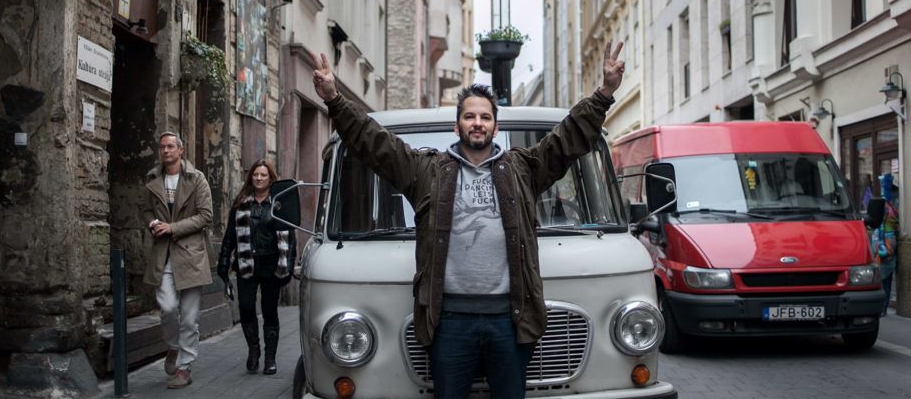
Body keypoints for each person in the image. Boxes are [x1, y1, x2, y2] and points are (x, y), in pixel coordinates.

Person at [312, 41, 625, 399]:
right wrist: (335, 100)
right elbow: (374, 143)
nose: (477, 123)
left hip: (510, 320)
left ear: (495, 125)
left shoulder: (522, 169)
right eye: (470, 116)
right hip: (449, 322)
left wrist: (604, 93)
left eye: (485, 117)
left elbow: (566, 140)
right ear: (457, 125)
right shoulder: (427, 171)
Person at [142, 132, 214, 389]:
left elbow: (206, 216)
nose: (166, 151)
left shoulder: (197, 179)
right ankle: (174, 347)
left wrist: (172, 228)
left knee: (190, 316)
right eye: (162, 147)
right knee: (168, 307)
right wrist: (152, 222)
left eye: (170, 146)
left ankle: (184, 367)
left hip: (191, 254)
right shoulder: (153, 178)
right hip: (164, 254)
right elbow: (147, 209)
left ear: (181, 150)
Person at [217, 159, 297, 375]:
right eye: (255, 175)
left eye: (263, 175)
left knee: (270, 311)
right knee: (245, 308)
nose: (259, 178)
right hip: (246, 263)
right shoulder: (241, 202)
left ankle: (270, 357)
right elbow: (230, 236)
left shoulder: (279, 203)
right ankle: (254, 351)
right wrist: (223, 263)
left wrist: (288, 266)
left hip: (272, 265)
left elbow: (291, 238)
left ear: (271, 178)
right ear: (251, 177)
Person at [871, 172, 899, 315]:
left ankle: (880, 307)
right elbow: (896, 223)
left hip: (880, 243)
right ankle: (883, 308)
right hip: (888, 242)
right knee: (886, 281)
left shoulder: (881, 205)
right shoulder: (892, 207)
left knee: (880, 279)